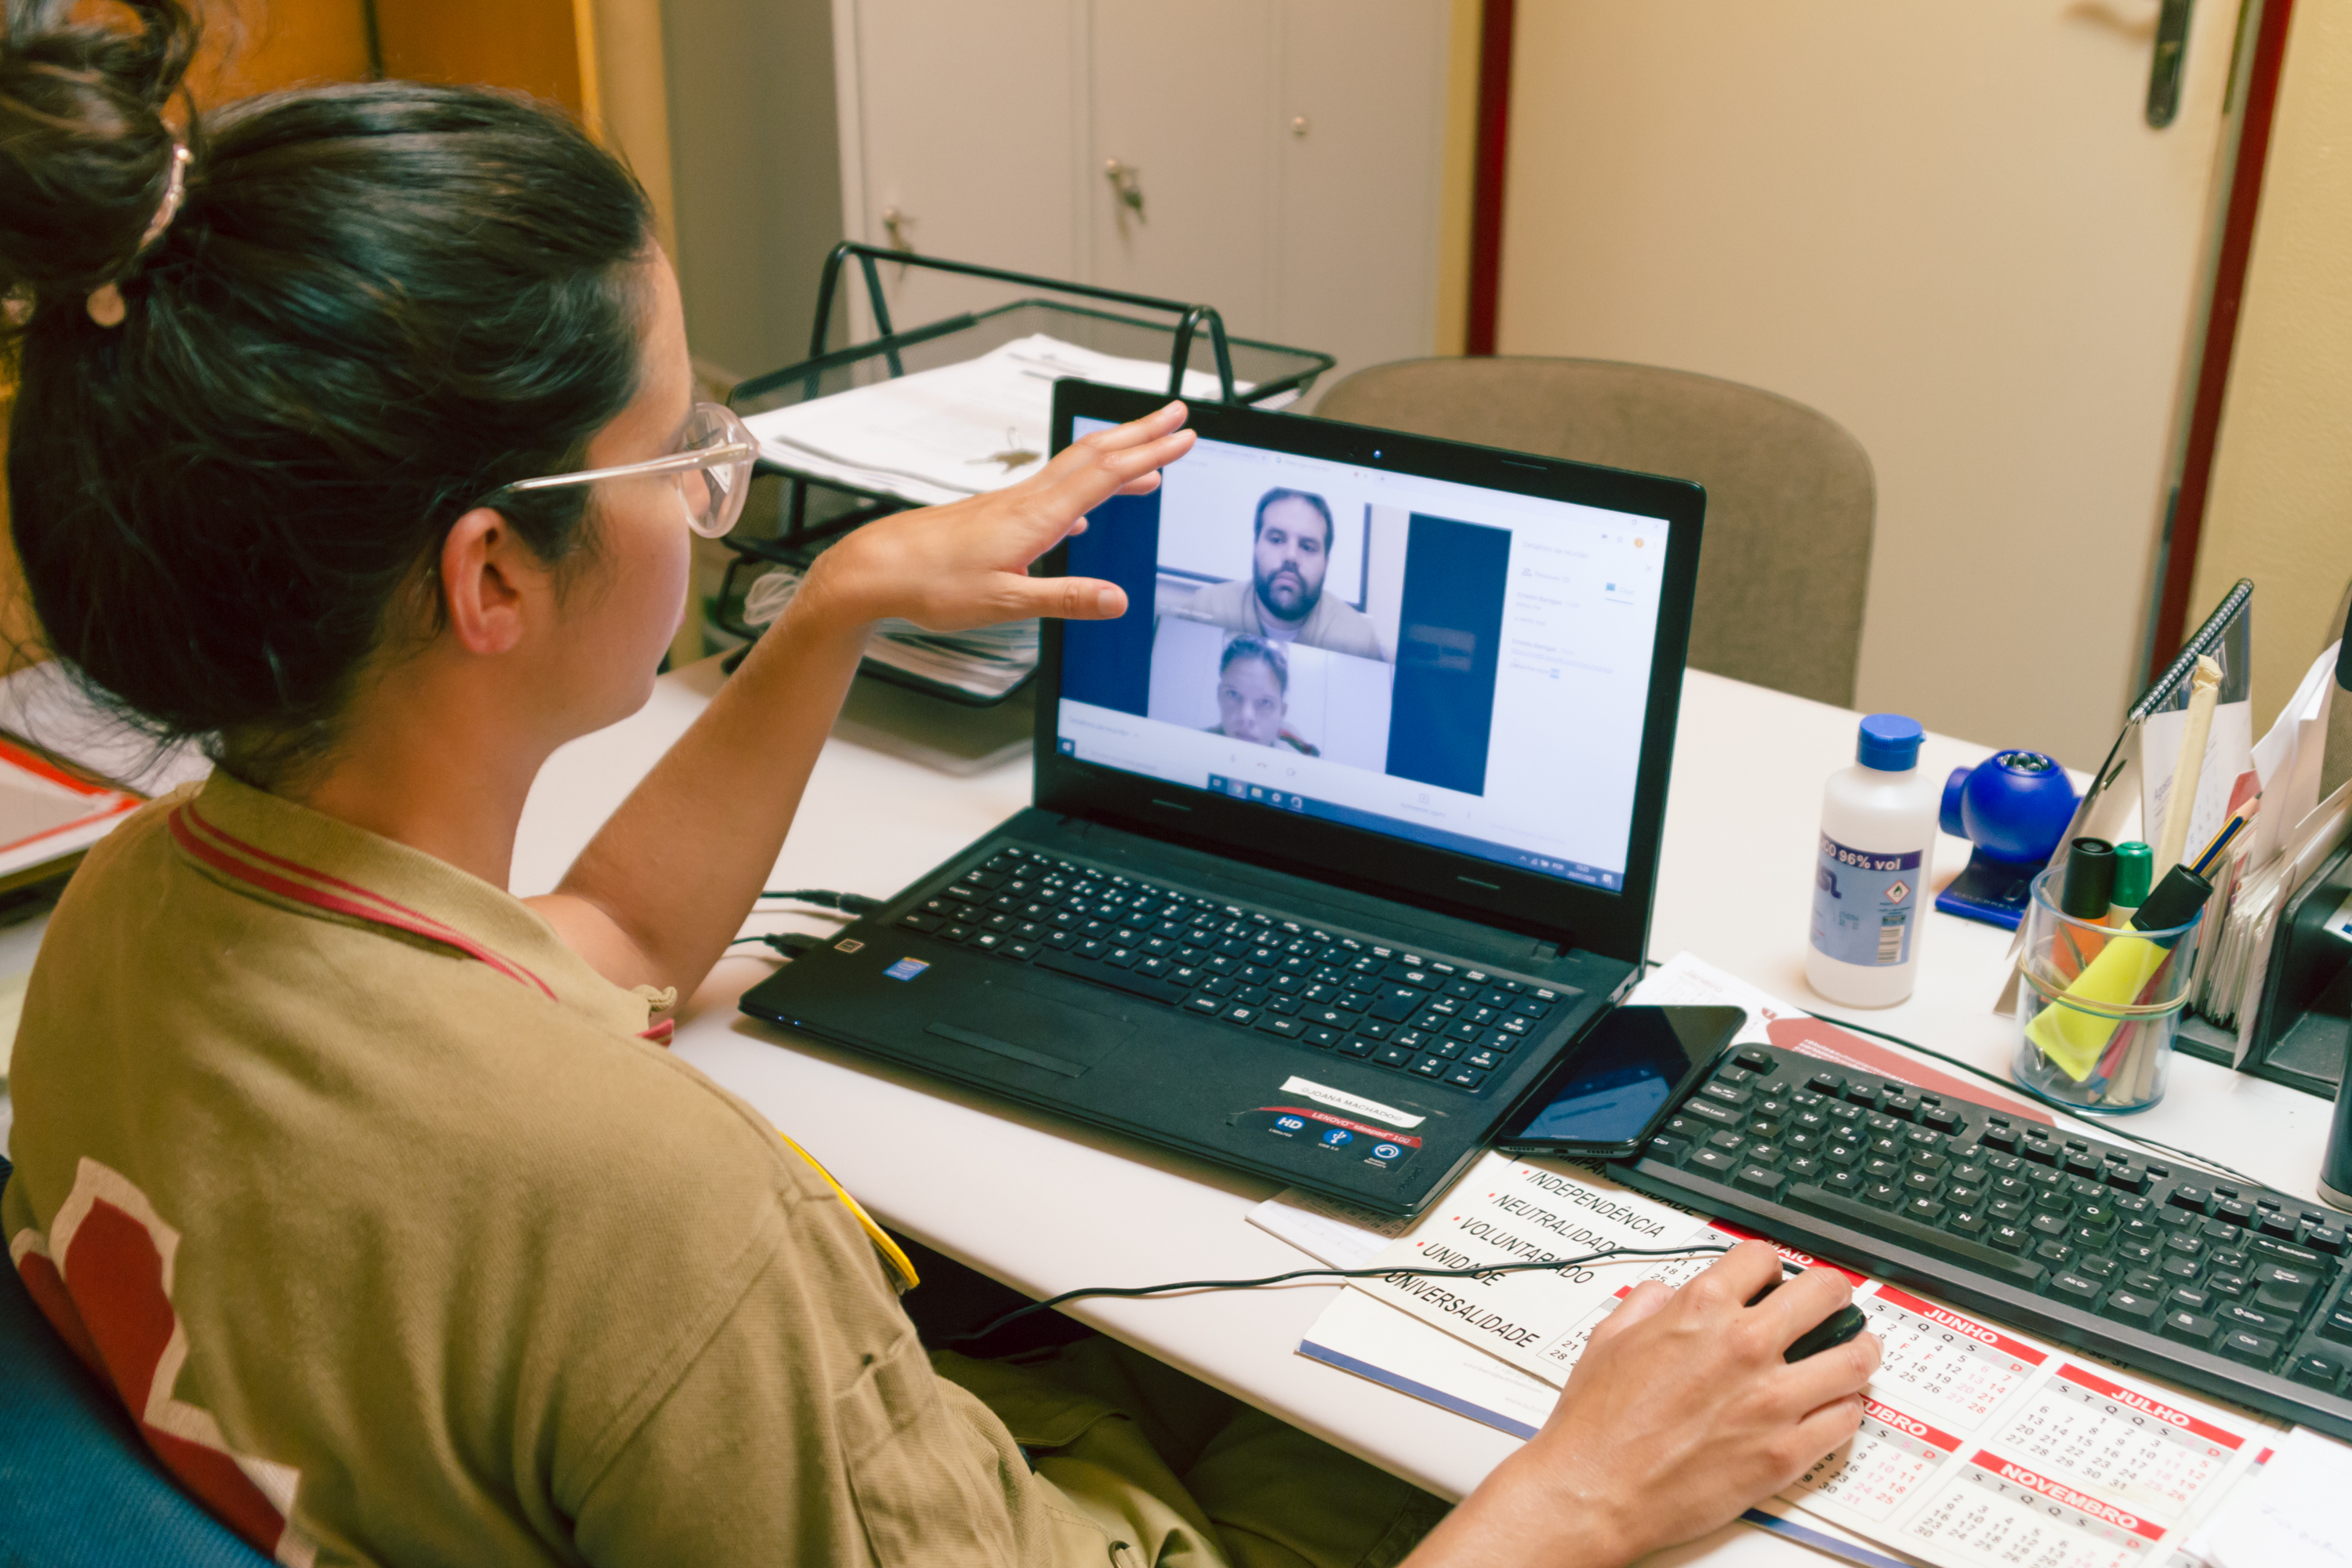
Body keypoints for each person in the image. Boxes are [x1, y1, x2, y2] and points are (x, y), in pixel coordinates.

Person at [0, 8, 1875, 1566]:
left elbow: (600, 950)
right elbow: (597, 1150)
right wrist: (1579, 1493)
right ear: (492, 575)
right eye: (676, 446)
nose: (710, 484)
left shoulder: (132, 912)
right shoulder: (650, 1210)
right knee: (1405, 1406)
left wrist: (831, 606)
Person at [1181, 488, 1387, 659]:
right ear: (1255, 545)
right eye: (1277, 540)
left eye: (1307, 547)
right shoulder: (1204, 608)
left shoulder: (1359, 639)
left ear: (1327, 562)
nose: (1291, 556)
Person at [1211, 636, 1319, 755]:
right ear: (1219, 696)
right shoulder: (1195, 748)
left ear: (1282, 712)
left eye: (1264, 702)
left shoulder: (1297, 760)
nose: (1246, 716)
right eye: (1234, 694)